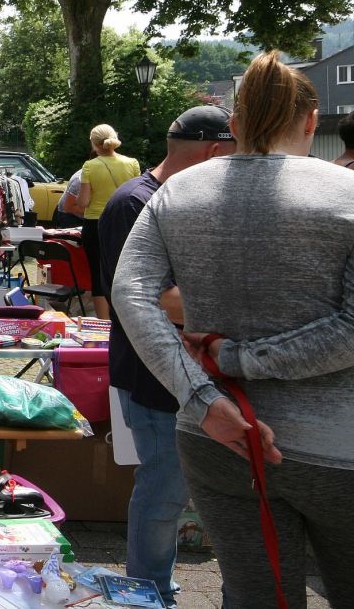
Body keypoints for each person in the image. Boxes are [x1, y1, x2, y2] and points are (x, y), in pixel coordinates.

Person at [112, 51, 354, 605]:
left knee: (253, 591)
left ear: (236, 126)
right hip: (337, 449)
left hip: (217, 436)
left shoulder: (178, 192)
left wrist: (202, 393)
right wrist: (237, 362)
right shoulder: (347, 194)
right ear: (313, 121)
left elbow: (130, 294)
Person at [97, 105, 236, 608]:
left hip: (177, 368)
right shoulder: (134, 203)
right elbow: (145, 296)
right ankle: (147, 589)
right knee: (164, 488)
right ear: (215, 152)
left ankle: (155, 582)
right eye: (229, 159)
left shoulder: (174, 199)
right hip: (151, 372)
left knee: (171, 487)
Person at [76, 124, 139, 317]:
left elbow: (83, 201)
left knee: (98, 274)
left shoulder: (89, 166)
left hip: (95, 224)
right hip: (125, 222)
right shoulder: (132, 163)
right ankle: (125, 318)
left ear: (94, 144)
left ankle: (104, 324)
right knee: (125, 272)